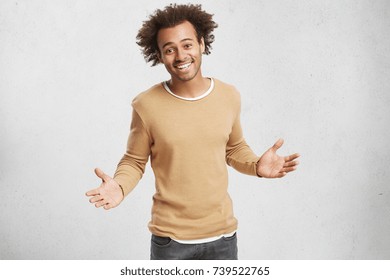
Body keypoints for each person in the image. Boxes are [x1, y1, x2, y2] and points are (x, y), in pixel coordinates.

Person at [86, 3, 300, 260]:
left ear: (201, 44)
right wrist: (120, 187)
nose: (180, 56)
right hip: (170, 243)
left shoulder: (228, 95)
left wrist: (256, 165)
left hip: (223, 238)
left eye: (187, 45)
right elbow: (134, 160)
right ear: (159, 55)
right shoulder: (146, 105)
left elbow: (233, 148)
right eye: (169, 49)